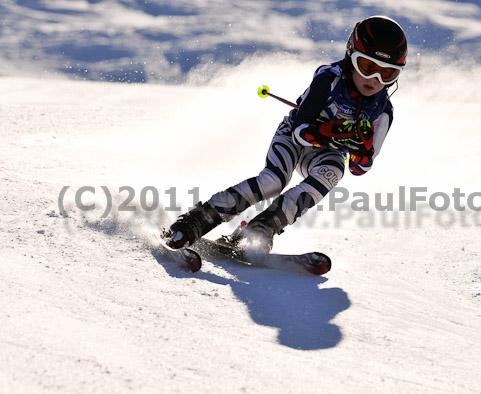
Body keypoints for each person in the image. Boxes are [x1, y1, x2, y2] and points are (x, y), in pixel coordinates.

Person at [166, 15, 408, 252]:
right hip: (292, 137)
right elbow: (302, 131)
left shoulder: (383, 112)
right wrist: (331, 132)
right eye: (366, 67)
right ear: (350, 56)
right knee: (273, 182)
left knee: (334, 171)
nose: (374, 79)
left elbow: (360, 168)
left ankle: (262, 227)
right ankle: (196, 220)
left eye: (387, 74)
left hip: (325, 154)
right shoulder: (329, 78)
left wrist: (361, 152)